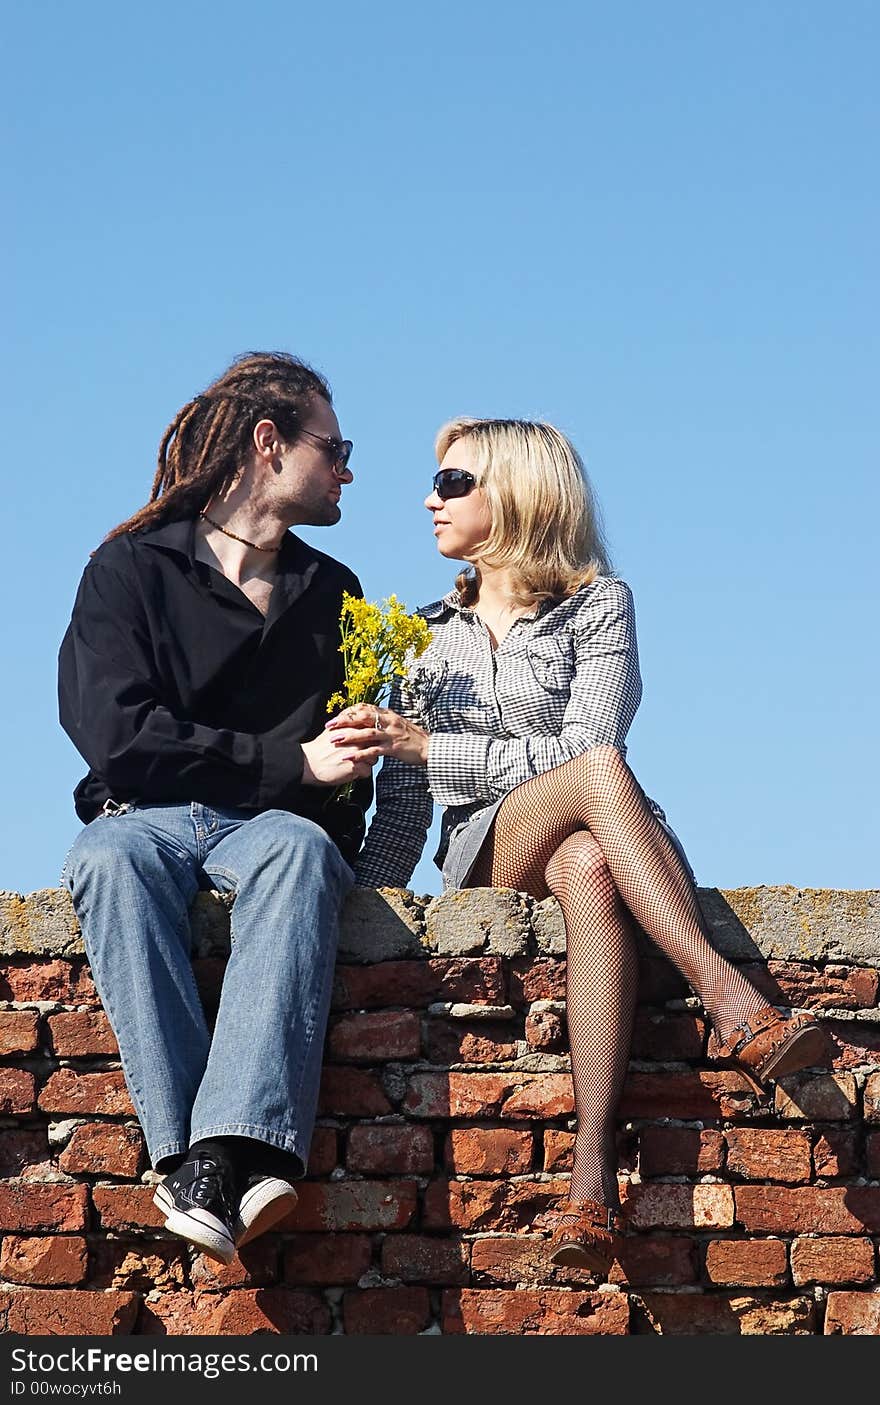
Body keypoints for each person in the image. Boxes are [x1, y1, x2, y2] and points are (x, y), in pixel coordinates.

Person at [335, 417, 829, 1276]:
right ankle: (729, 997)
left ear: (519, 494)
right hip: (486, 856)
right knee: (598, 771)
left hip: (590, 838)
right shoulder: (421, 634)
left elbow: (589, 737)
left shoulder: (601, 606)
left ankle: (590, 1179)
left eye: (453, 482)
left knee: (590, 864)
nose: (429, 498)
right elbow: (405, 812)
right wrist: (362, 915)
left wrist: (436, 746)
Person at [58, 352, 374, 1266]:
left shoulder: (336, 593)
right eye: (336, 446)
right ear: (267, 443)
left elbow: (336, 784)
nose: (348, 469)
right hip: (144, 817)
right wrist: (290, 762)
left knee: (303, 855)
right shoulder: (127, 569)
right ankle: (201, 1154)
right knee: (105, 862)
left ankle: (220, 1152)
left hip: (268, 832)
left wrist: (340, 764)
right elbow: (119, 738)